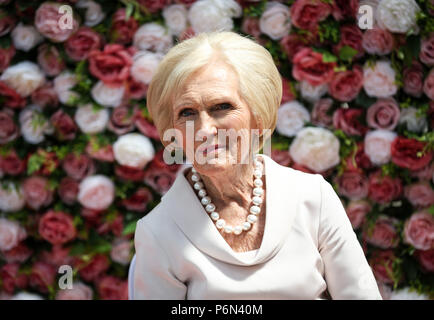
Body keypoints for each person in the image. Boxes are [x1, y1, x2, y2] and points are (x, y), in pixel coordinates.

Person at [128, 31, 382, 300]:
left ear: (257, 116)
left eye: (221, 107)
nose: (204, 129)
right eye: (187, 113)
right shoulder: (158, 231)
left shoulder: (313, 198)